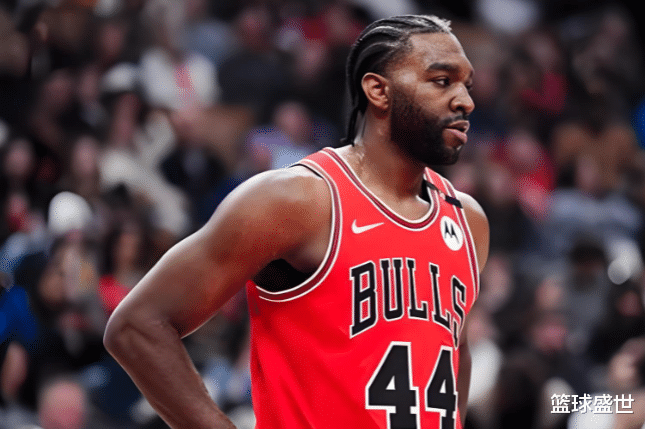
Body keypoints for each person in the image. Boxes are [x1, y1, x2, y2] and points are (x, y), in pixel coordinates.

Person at [104, 14, 489, 429]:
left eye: (466, 85)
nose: (465, 101)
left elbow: (455, 353)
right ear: (378, 90)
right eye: (442, 81)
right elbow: (138, 325)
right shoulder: (298, 199)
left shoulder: (468, 221)